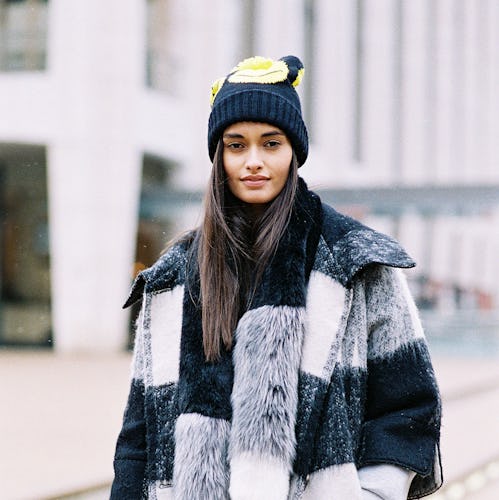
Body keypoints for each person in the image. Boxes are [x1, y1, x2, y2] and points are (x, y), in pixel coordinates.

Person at [111, 55, 442, 500]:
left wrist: (374, 492)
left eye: (270, 144)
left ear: (294, 152)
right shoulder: (173, 278)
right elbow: (139, 436)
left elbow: (409, 405)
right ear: (218, 157)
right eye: (236, 145)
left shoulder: (353, 261)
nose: (253, 161)